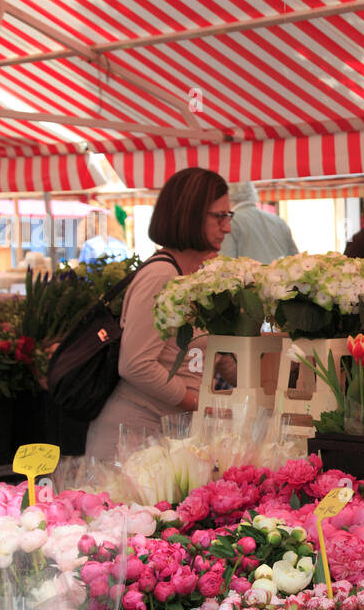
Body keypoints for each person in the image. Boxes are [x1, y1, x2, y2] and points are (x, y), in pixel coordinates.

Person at [85, 167, 229, 460]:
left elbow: (202, 354)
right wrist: (195, 402)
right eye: (220, 217)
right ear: (189, 215)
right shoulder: (161, 275)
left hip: (171, 434)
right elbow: (136, 364)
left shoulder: (197, 275)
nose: (227, 227)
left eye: (229, 217)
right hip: (134, 440)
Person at [219, 180, 299, 262]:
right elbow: (295, 259)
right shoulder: (279, 221)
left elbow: (226, 262)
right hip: (280, 274)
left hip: (251, 274)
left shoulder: (229, 222)